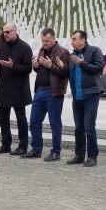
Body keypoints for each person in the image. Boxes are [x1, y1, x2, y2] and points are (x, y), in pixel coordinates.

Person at [27, 28, 70, 161]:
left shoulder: (63, 52)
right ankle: (36, 149)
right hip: (39, 90)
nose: (44, 43)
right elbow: (40, 70)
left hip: (54, 92)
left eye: (46, 41)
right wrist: (35, 66)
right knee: (34, 121)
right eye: (42, 41)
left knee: (54, 123)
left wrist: (50, 65)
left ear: (53, 39)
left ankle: (56, 152)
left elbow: (66, 73)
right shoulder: (41, 50)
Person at [0, 23, 33, 155]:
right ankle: (6, 144)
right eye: (4, 32)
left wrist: (13, 66)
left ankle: (23, 145)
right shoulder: (3, 47)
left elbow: (28, 69)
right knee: (3, 119)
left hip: (18, 90)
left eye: (8, 32)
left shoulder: (25, 48)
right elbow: (0, 69)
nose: (5, 34)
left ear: (15, 31)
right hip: (4, 88)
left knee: (21, 120)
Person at [67, 30, 104, 167]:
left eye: (75, 39)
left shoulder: (94, 51)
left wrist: (82, 64)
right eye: (72, 39)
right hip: (77, 95)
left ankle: (92, 156)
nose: (72, 42)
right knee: (78, 127)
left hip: (91, 94)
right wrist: (58, 66)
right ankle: (79, 154)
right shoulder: (72, 56)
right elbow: (68, 73)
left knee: (89, 126)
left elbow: (99, 68)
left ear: (83, 40)